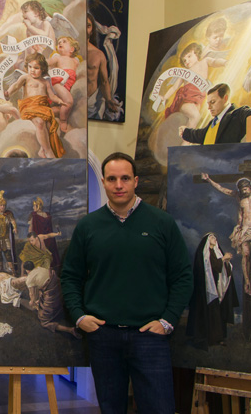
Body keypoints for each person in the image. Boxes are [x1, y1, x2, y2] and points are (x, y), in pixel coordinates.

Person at [61, 152, 193, 413]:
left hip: (150, 336)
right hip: (103, 336)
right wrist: (79, 315)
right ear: (103, 182)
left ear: (136, 181)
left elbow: (182, 277)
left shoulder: (162, 223)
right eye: (112, 179)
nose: (118, 185)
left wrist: (167, 320)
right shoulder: (88, 226)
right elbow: (70, 276)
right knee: (111, 408)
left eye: (125, 178)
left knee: (159, 408)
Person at [178, 82, 251, 145]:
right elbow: (201, 135)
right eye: (208, 103)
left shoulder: (238, 115)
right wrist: (185, 132)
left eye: (213, 102)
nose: (209, 107)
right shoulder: (213, 123)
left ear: (225, 98)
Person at [4, 52, 65, 158]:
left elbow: (51, 96)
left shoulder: (45, 82)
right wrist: (8, 93)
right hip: (29, 107)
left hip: (43, 107)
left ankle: (42, 150)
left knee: (50, 126)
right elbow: (16, 86)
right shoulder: (25, 78)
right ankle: (48, 151)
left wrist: (59, 100)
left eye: (36, 68)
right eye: (30, 67)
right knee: (40, 122)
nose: (32, 70)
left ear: (43, 69)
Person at [185, 233, 238, 350]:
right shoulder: (204, 253)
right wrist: (223, 259)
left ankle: (219, 338)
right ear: (207, 240)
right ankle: (206, 338)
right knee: (209, 312)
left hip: (217, 288)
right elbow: (209, 267)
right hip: (207, 289)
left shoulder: (217, 252)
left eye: (215, 237)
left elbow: (222, 270)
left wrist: (226, 262)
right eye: (212, 237)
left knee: (218, 313)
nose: (215, 238)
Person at [160, 42, 227, 130]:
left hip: (198, 98)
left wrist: (225, 62)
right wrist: (164, 97)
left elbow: (214, 62)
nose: (187, 61)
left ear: (196, 53)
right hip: (185, 98)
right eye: (184, 60)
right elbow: (174, 87)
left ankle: (186, 136)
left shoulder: (204, 61)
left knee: (192, 120)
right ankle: (186, 138)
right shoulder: (185, 72)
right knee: (195, 116)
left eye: (189, 56)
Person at [24, 261, 81, 338]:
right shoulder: (40, 268)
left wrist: (32, 302)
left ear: (26, 270)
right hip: (60, 288)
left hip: (53, 294)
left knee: (44, 321)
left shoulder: (29, 279)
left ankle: (70, 330)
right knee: (42, 300)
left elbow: (32, 294)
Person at [86, 13, 118, 119]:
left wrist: (108, 100)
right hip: (74, 100)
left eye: (88, 26)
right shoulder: (68, 51)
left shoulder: (98, 54)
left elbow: (104, 81)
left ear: (92, 30)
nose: (85, 29)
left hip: (91, 104)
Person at [48, 36, 79, 132]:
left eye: (64, 41)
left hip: (68, 85)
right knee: (68, 102)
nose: (60, 43)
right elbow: (47, 63)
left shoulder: (75, 61)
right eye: (59, 42)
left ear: (72, 49)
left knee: (59, 108)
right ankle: (63, 121)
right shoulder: (58, 58)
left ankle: (46, 113)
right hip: (58, 83)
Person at [27, 196, 61, 271]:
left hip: (41, 239)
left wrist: (30, 238)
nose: (33, 207)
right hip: (47, 239)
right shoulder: (48, 215)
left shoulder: (33, 215)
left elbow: (31, 227)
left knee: (45, 258)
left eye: (34, 206)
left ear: (38, 206)